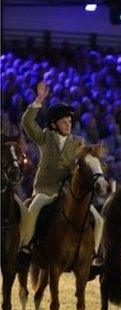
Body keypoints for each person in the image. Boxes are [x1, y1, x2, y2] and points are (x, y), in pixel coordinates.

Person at [16, 81, 104, 271]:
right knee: (33, 212)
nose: (68, 124)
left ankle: (94, 256)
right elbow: (26, 123)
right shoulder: (45, 136)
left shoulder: (78, 142)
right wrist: (39, 100)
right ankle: (25, 248)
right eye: (64, 121)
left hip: (68, 191)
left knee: (98, 219)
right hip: (45, 188)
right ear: (54, 123)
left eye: (70, 121)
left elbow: (83, 163)